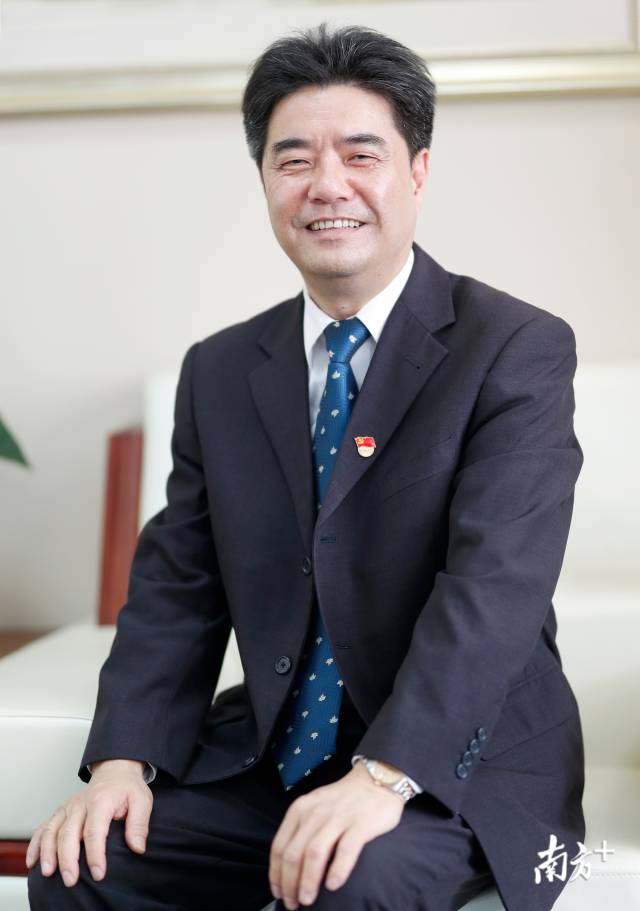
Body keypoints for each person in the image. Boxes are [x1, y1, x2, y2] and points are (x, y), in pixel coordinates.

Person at [26, 22, 585, 911]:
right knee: (81, 866)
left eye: (361, 154)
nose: (327, 185)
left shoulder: (513, 349)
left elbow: (495, 591)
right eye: (294, 160)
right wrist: (122, 762)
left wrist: (384, 773)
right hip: (277, 750)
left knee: (346, 879)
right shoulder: (220, 370)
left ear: (418, 172)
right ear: (265, 180)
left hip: (455, 759)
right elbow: (178, 585)